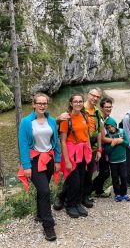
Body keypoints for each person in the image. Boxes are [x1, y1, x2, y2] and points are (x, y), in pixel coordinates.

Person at [18, 93, 60, 241]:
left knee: (43, 190)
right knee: (44, 190)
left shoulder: (52, 121)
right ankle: (48, 226)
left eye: (45, 103)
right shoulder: (26, 122)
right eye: (39, 103)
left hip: (48, 159)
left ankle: (39, 214)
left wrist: (57, 160)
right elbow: (23, 145)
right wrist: (26, 166)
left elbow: (56, 141)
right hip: (35, 160)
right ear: (33, 105)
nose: (42, 106)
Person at [56, 94, 92, 218]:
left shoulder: (84, 115)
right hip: (71, 152)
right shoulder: (66, 119)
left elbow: (86, 134)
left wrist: (89, 150)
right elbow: (63, 141)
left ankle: (77, 203)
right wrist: (66, 160)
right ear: (71, 103)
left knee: (81, 179)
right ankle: (70, 204)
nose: (78, 103)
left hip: (82, 152)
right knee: (74, 181)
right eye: (75, 101)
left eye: (80, 101)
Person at [82, 88, 102, 207]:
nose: (95, 98)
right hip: (81, 148)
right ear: (88, 95)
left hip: (93, 148)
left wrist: (99, 149)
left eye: (97, 97)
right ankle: (65, 197)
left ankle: (85, 196)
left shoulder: (97, 112)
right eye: (93, 95)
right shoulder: (80, 108)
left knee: (89, 174)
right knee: (78, 174)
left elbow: (99, 130)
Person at [104, 117, 130, 202]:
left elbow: (127, 143)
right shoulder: (107, 136)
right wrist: (112, 144)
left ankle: (124, 193)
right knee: (115, 177)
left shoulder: (122, 132)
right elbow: (107, 151)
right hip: (113, 161)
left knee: (124, 177)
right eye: (108, 128)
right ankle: (117, 193)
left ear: (115, 125)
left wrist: (121, 141)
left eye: (112, 126)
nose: (111, 129)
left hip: (122, 160)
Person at [91, 98, 113, 197]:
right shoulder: (100, 119)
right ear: (101, 108)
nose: (108, 109)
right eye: (106, 107)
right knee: (104, 172)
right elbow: (103, 138)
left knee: (104, 172)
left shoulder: (107, 118)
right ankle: (87, 192)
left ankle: (98, 191)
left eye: (110, 107)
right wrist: (117, 140)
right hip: (98, 149)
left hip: (104, 149)